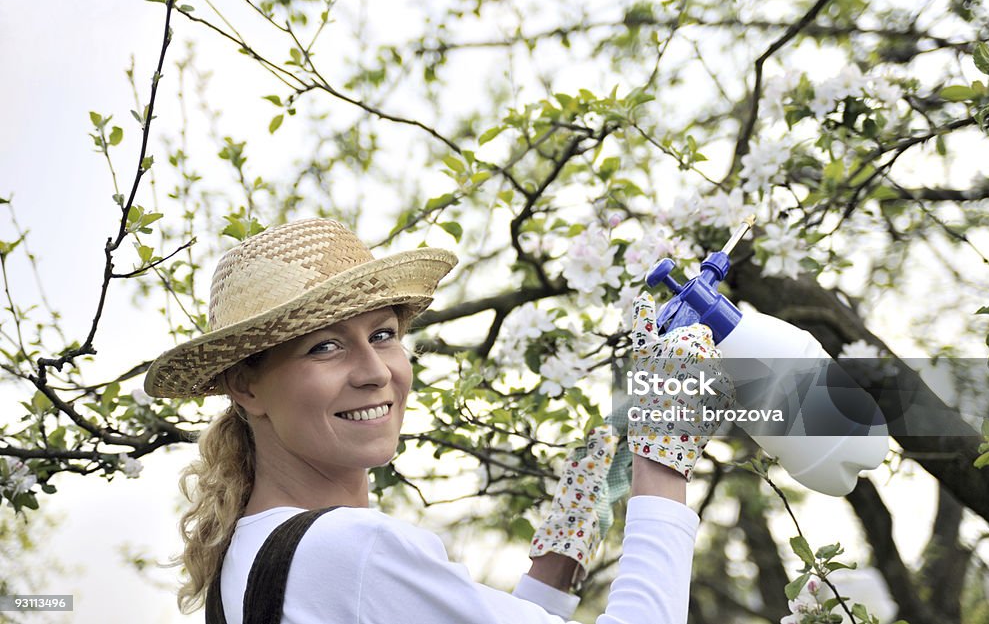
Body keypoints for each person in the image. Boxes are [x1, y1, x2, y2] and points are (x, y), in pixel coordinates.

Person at [145, 217, 729, 624]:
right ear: (247, 384)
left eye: (383, 335)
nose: (375, 371)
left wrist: (569, 538)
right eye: (325, 347)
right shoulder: (353, 550)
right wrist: (662, 453)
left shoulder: (249, 555)